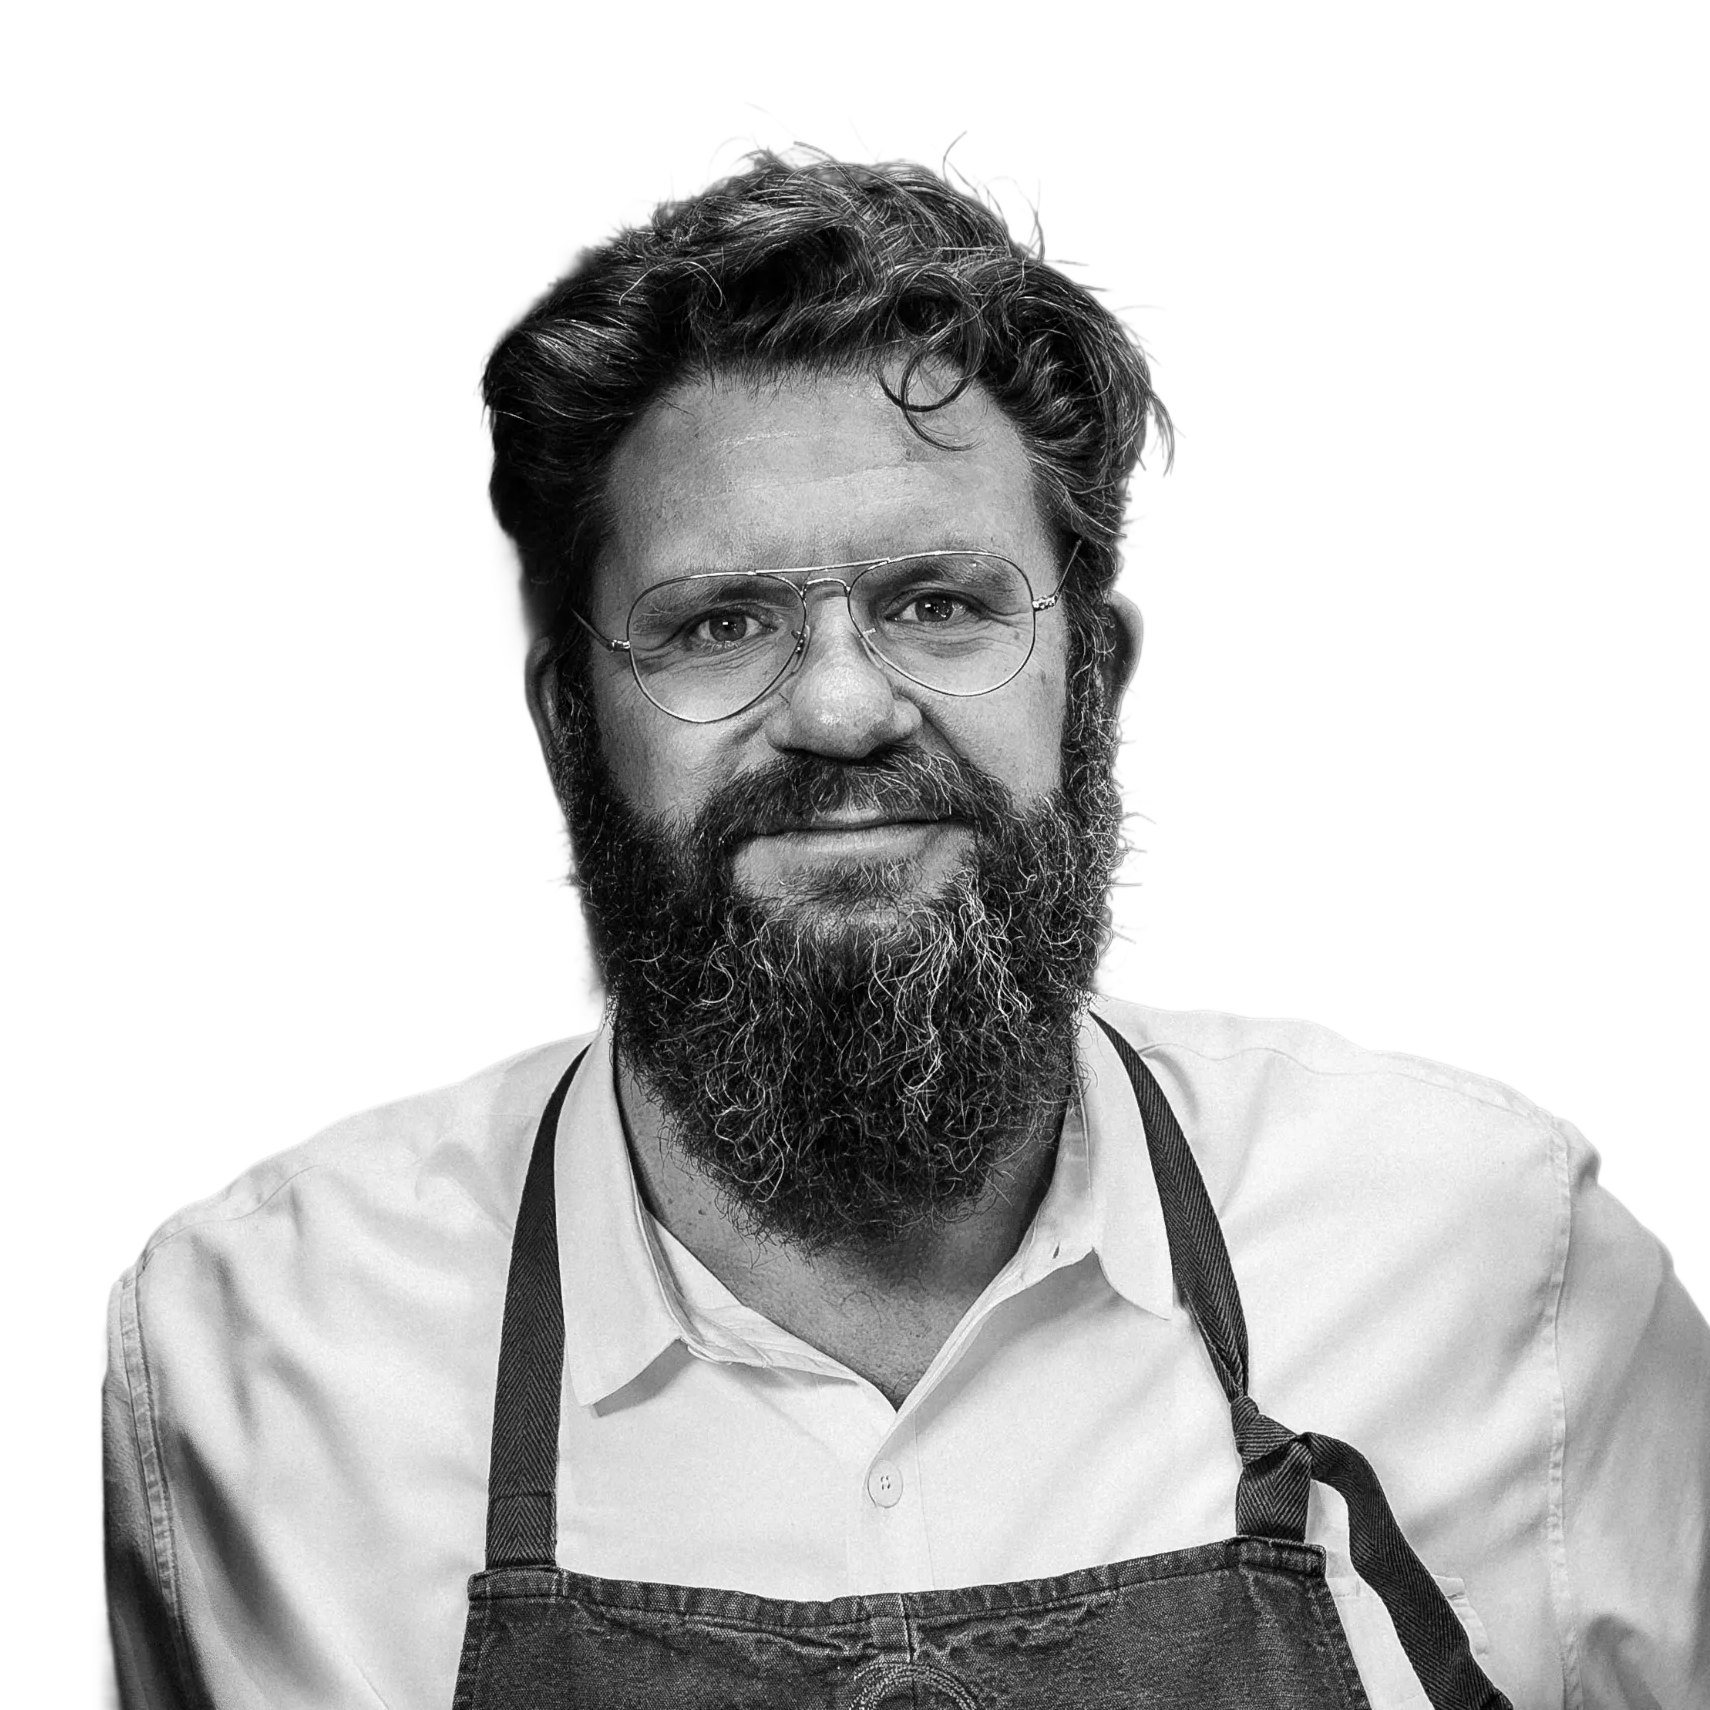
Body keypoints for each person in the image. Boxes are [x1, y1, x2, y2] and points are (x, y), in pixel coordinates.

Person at [95, 131, 1707, 1710]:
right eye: (717, 623)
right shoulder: (247, 1363)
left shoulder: (1502, 1265)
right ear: (564, 724)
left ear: (1102, 684)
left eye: (937, 602)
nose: (846, 708)